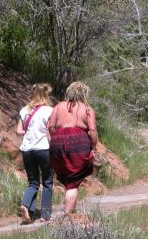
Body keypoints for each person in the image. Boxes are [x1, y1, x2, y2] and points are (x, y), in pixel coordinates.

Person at [48, 81, 98, 214]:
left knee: (67, 176)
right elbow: (92, 130)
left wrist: (57, 138)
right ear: (84, 94)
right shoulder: (87, 109)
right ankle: (67, 214)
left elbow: (51, 127)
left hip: (57, 141)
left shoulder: (58, 106)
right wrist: (93, 147)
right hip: (78, 141)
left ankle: (71, 209)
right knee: (74, 180)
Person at [16, 83, 53, 223]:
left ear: (33, 94)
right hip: (43, 148)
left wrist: (29, 132)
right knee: (48, 181)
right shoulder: (49, 110)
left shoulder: (24, 110)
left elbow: (18, 131)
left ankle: (26, 208)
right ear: (46, 95)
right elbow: (50, 132)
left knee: (33, 182)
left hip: (27, 150)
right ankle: (45, 215)